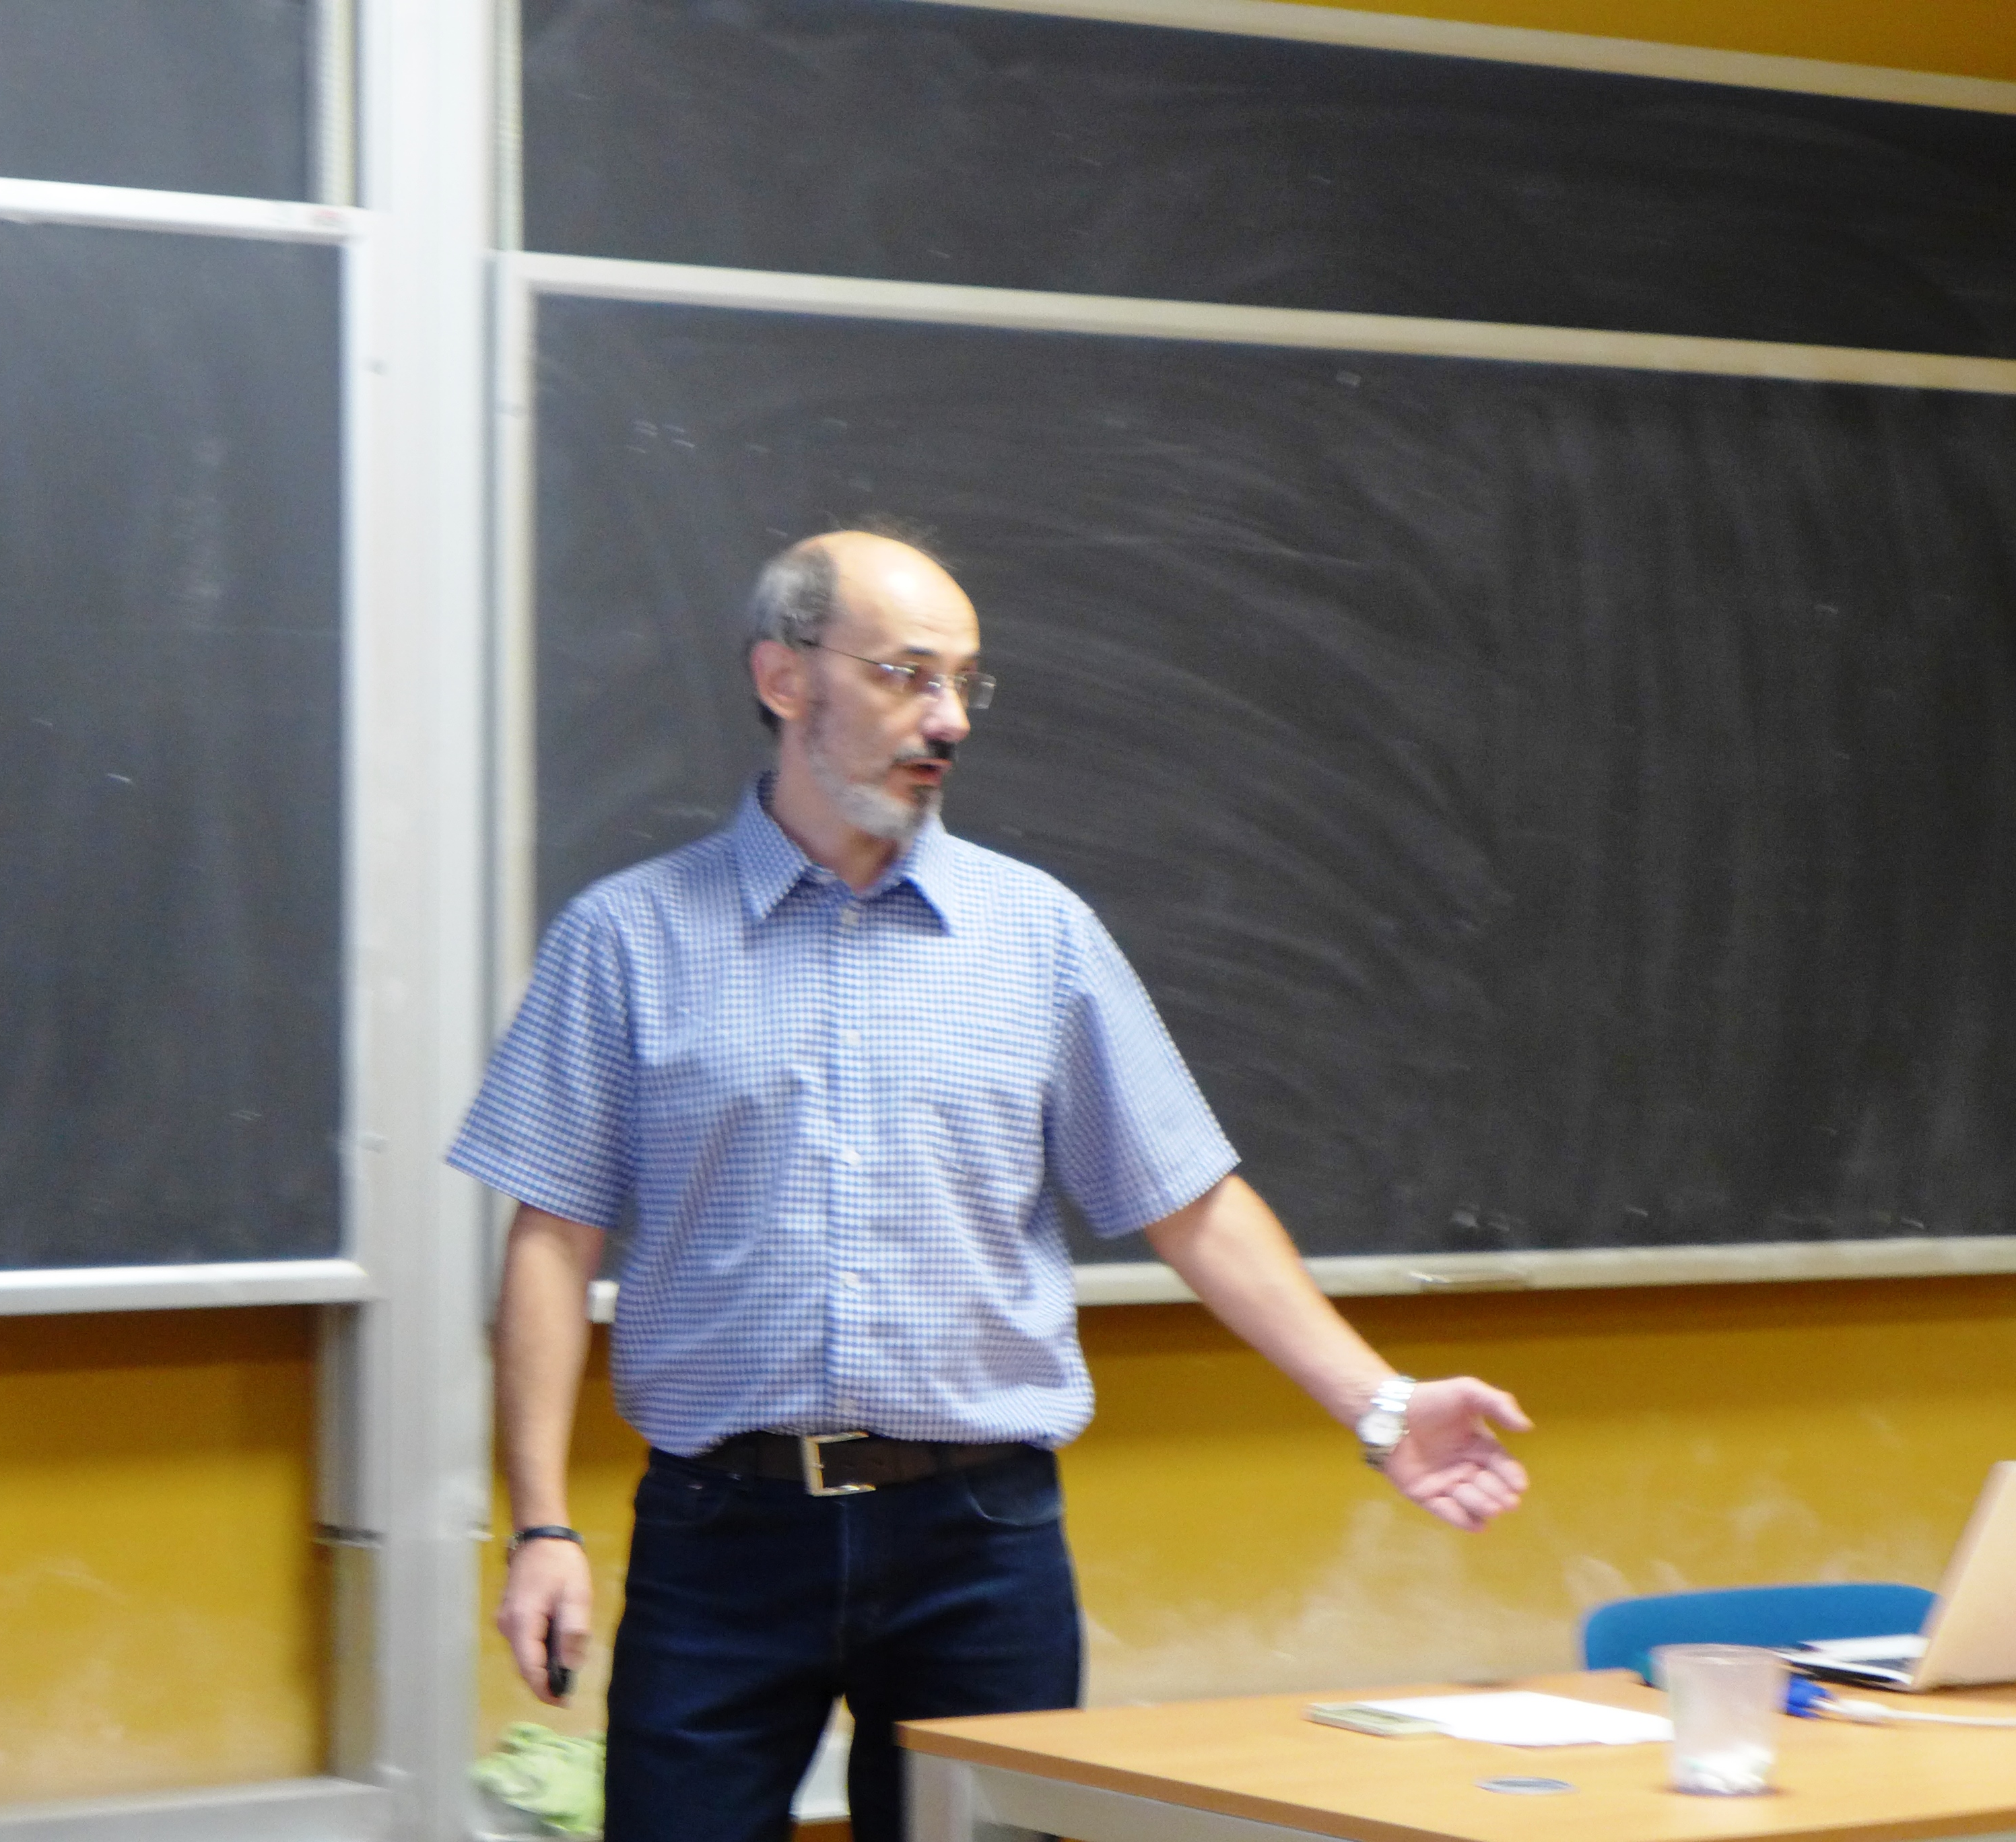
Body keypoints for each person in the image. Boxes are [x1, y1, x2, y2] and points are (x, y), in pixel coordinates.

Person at [450, 528, 1531, 1842]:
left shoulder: (1039, 934)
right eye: (907, 675)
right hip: (723, 1529)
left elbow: (1191, 1204)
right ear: (785, 679)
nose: (949, 719)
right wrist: (542, 1528)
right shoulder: (626, 938)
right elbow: (552, 1237)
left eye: (966, 682)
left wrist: (1382, 1405)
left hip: (978, 1536)